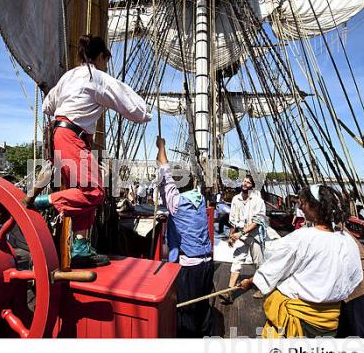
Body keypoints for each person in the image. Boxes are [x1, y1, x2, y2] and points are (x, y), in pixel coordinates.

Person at [35, 34, 151, 268]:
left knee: (81, 194)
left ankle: (79, 248)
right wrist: (146, 111)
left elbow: (47, 106)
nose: (106, 65)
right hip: (72, 137)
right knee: (94, 191)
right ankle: (42, 201)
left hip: (59, 135)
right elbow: (138, 112)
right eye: (106, 60)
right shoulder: (98, 78)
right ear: (100, 57)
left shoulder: (69, 76)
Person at [239, 184, 363, 338]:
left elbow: (273, 269)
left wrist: (251, 281)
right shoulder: (347, 241)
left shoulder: (302, 238)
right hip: (330, 323)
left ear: (314, 206)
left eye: (303, 204)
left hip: (299, 318)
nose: (301, 208)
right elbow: (354, 278)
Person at [156, 136, 213, 337]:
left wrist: (161, 147)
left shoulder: (177, 203)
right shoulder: (199, 198)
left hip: (190, 264)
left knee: (186, 308)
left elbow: (164, 169)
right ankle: (205, 335)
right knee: (203, 303)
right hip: (207, 261)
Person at [221, 175, 267, 301]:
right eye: (244, 181)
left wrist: (240, 234)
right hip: (241, 235)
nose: (245, 184)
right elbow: (233, 220)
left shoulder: (258, 201)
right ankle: (229, 292)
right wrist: (231, 236)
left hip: (255, 236)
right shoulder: (236, 199)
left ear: (252, 186)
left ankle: (262, 289)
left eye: (248, 182)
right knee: (236, 261)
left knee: (259, 263)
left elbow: (257, 221)